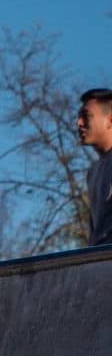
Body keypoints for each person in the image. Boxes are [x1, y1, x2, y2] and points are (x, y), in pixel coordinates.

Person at [77, 88, 112, 247]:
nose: (79, 123)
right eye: (79, 117)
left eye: (86, 116)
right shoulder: (93, 172)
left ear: (110, 120)